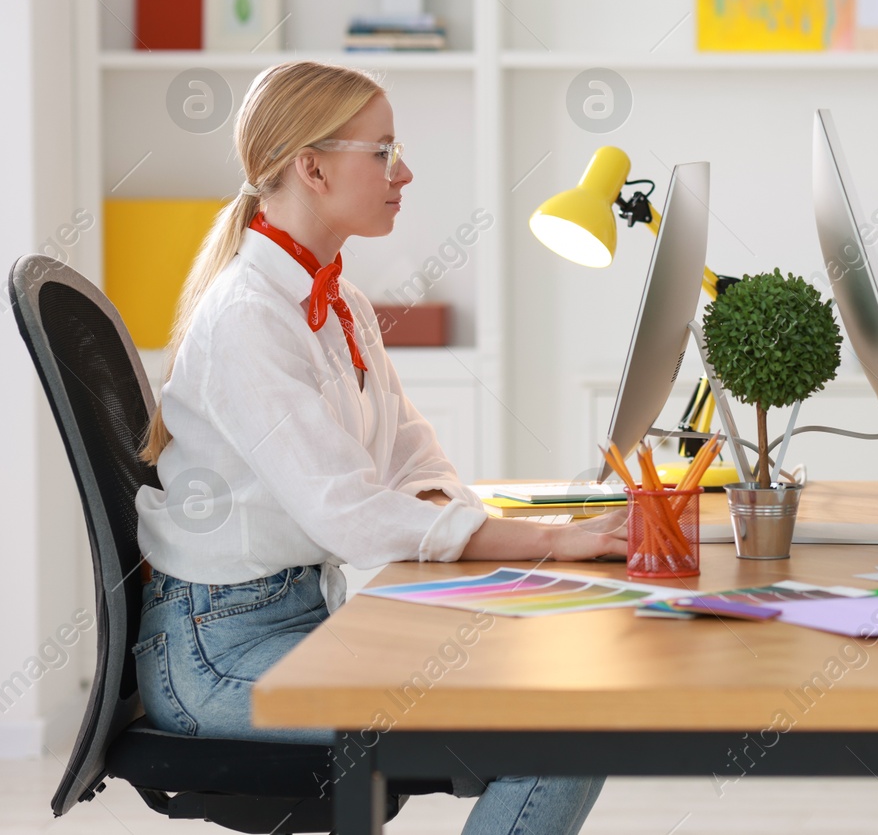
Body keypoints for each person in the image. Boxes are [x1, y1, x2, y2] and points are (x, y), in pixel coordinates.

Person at [134, 61, 626, 835]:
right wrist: (552, 541)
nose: (405, 172)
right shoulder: (248, 319)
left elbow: (411, 454)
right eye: (384, 151)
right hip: (214, 654)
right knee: (558, 731)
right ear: (312, 166)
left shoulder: (343, 303)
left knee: (564, 699)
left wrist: (440, 509)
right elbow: (351, 517)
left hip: (300, 617)